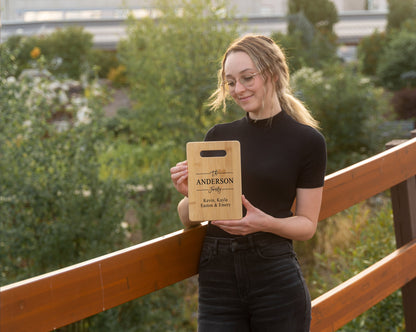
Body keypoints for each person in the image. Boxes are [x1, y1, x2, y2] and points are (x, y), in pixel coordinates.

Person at [170, 34, 326, 332]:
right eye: (230, 82)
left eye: (246, 78)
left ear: (272, 74)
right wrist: (193, 195)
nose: (238, 90)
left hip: (275, 276)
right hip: (217, 280)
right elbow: (188, 218)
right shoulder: (218, 137)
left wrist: (264, 222)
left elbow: (307, 225)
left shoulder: (307, 141)